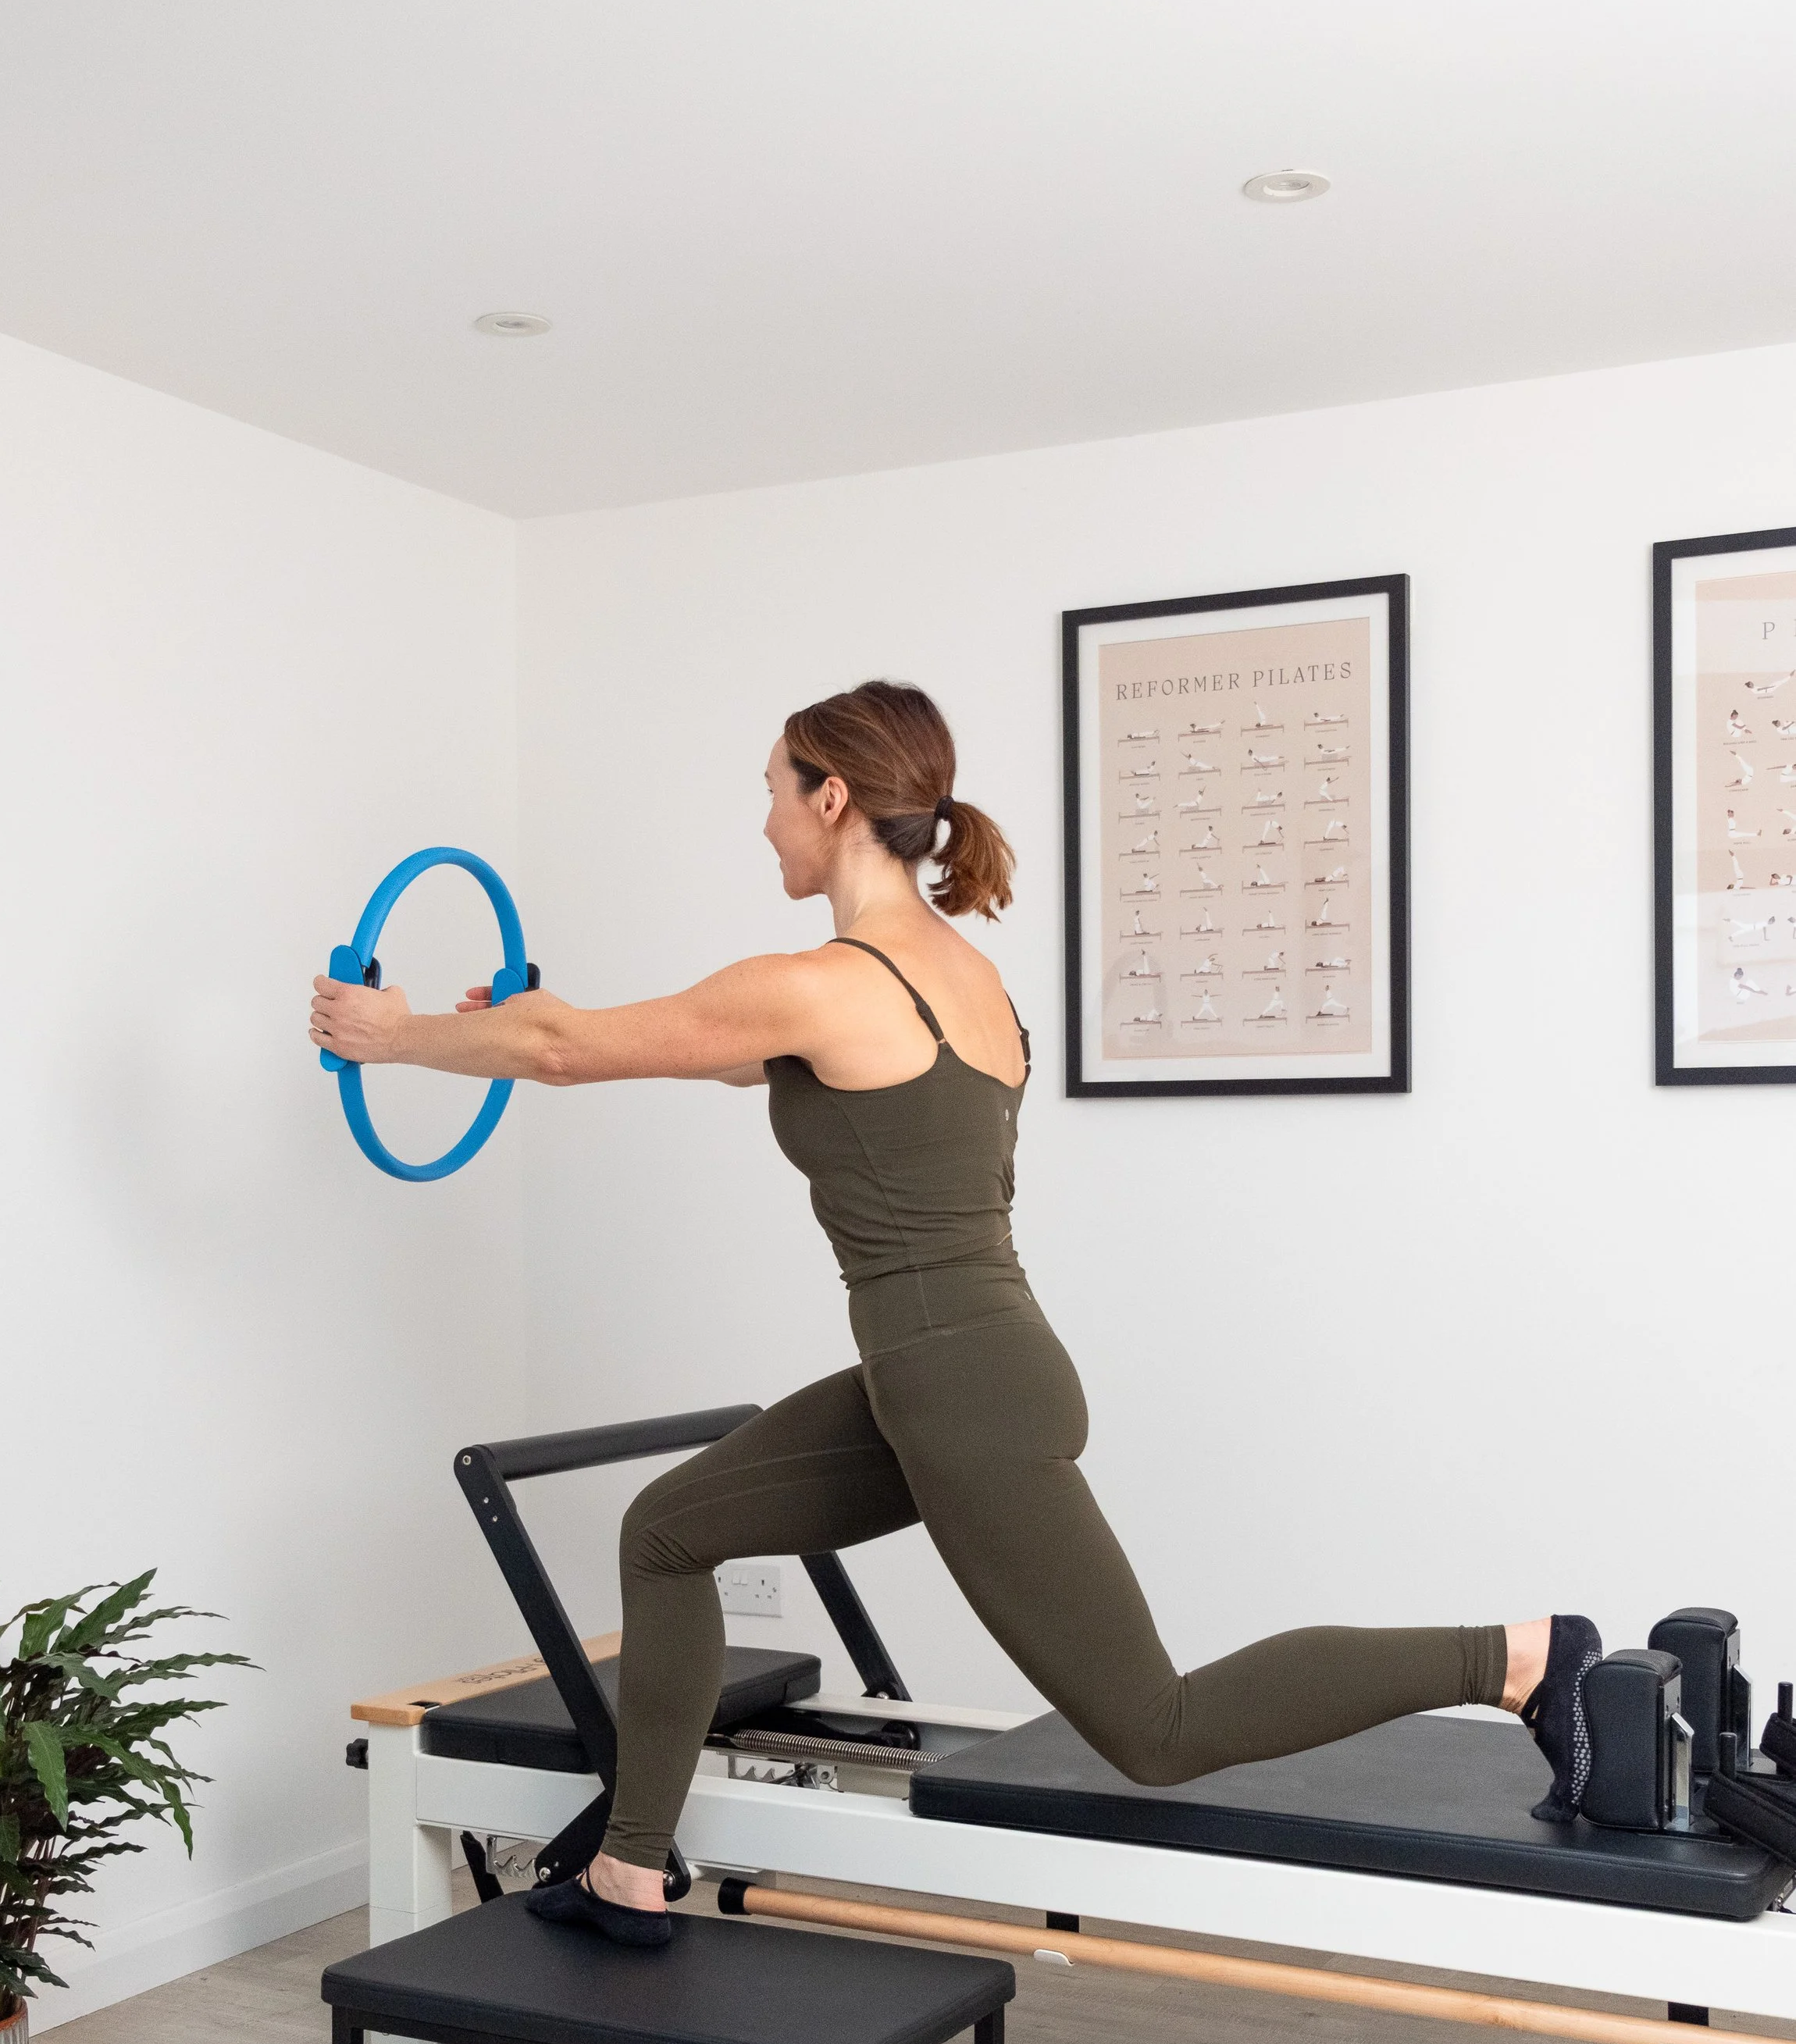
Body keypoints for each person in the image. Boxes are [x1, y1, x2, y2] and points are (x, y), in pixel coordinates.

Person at [310, 681, 1597, 1949]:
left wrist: (395, 1032)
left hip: (960, 1396)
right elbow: (629, 1044)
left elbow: (564, 1050)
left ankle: (1514, 1655)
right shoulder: (960, 979)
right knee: (667, 1532)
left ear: (831, 797)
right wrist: (500, 1033)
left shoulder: (826, 980)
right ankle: (632, 1866)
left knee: (1159, 1728)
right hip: (953, 1376)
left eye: (771, 793)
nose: (763, 824)